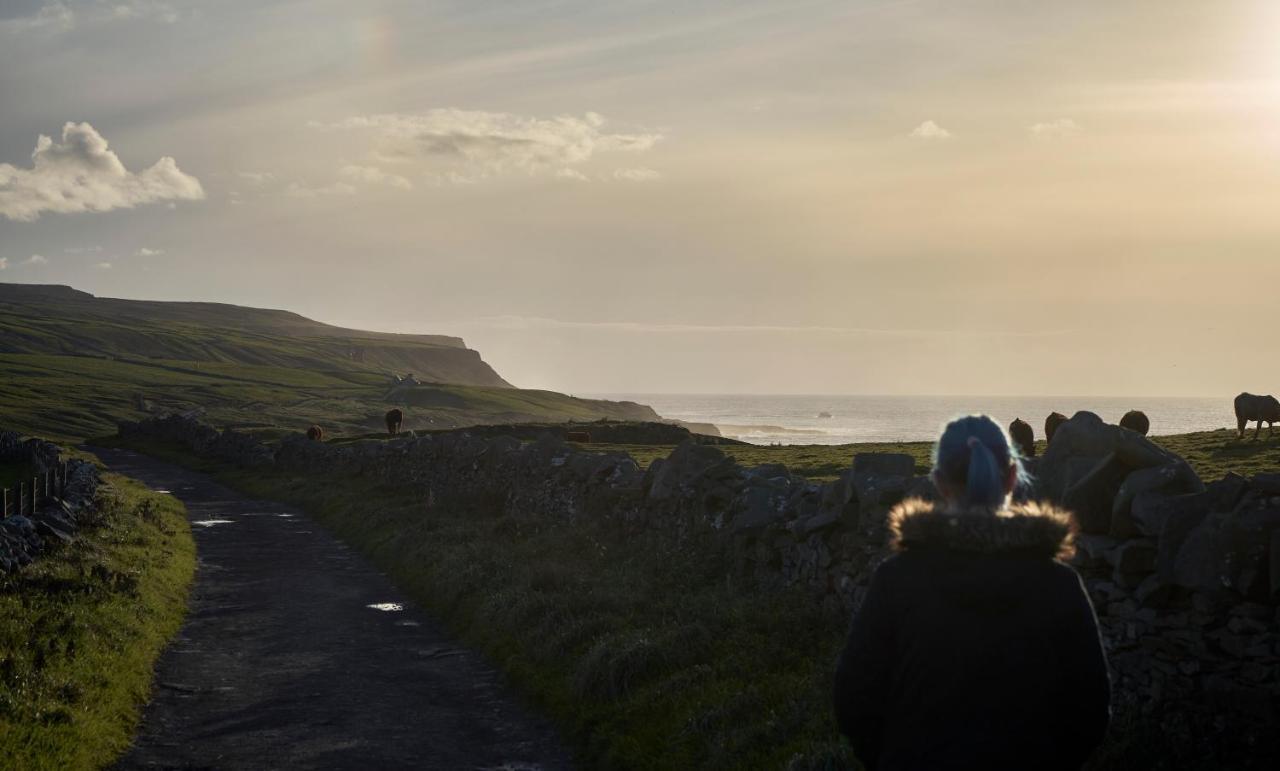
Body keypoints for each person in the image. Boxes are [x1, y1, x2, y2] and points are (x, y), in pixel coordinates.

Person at [833, 415, 1110, 771]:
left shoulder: (898, 579)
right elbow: (1090, 711)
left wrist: (893, 756)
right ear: (1011, 477)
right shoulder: (1058, 584)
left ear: (938, 482)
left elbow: (854, 698)